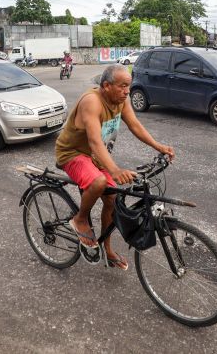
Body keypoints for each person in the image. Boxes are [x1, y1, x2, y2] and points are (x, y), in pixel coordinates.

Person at [55, 64, 175, 271]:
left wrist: (159, 146)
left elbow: (135, 125)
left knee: (113, 198)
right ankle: (80, 219)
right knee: (99, 181)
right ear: (106, 85)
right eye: (122, 86)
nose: (127, 91)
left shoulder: (121, 101)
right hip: (73, 154)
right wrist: (115, 170)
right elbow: (94, 141)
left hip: (95, 156)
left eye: (128, 86)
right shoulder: (92, 102)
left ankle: (107, 250)